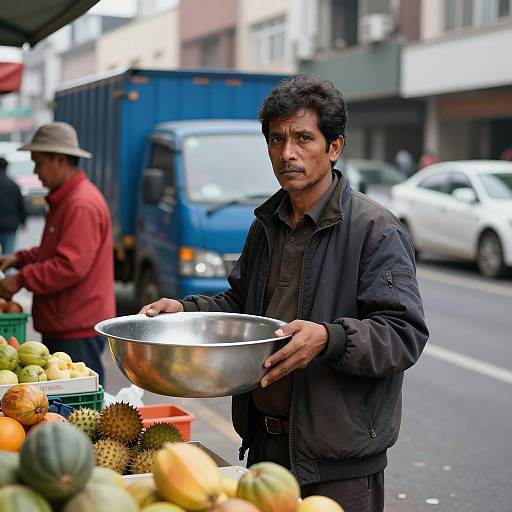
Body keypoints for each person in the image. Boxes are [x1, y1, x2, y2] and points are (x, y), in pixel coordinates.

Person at [140, 76, 429, 512]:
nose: (287, 153)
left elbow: (402, 335)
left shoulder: (376, 230)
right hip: (266, 451)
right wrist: (183, 309)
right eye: (277, 139)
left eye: (303, 138)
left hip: (339, 466)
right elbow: (239, 307)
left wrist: (329, 339)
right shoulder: (267, 225)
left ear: (335, 147)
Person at [0, 122, 115, 385]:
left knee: (78, 406)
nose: (36, 171)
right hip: (64, 320)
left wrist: (20, 278)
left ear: (59, 160)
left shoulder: (81, 203)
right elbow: (54, 249)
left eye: (38, 163)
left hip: (76, 325)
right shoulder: (66, 198)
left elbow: (69, 265)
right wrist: (20, 258)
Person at [0, 156, 26, 255]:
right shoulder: (13, 185)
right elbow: (20, 205)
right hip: (10, 225)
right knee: (7, 255)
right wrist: (23, 221)